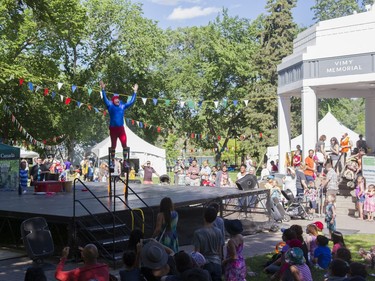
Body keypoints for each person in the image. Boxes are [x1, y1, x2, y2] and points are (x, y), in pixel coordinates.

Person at [100, 81, 138, 169]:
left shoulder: (122, 106)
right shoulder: (109, 105)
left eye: (118, 99)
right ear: (113, 100)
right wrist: (103, 89)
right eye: (115, 99)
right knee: (113, 145)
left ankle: (125, 161)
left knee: (124, 144)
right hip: (113, 129)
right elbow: (104, 99)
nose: (117, 100)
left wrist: (135, 92)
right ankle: (112, 162)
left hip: (121, 129)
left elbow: (131, 102)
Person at [193, 207, 224, 281]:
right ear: (215, 218)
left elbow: (197, 253)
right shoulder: (219, 231)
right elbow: (219, 251)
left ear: (204, 217)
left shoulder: (198, 233)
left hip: (205, 265)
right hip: (217, 263)